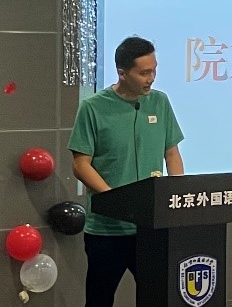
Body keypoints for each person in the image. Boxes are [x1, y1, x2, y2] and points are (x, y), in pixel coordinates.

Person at [68, 36, 185, 307]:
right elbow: (80, 164)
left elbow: (171, 153)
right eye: (144, 73)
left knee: (160, 296)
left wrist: (177, 196)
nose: (151, 78)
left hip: (151, 226)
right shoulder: (93, 107)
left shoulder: (160, 102)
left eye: (154, 70)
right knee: (99, 299)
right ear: (122, 73)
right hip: (107, 229)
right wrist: (116, 200)